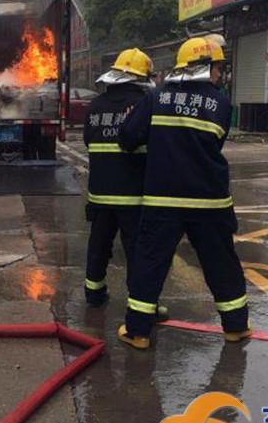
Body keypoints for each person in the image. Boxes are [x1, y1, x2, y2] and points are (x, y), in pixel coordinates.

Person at [117, 36, 251, 349]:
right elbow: (213, 143)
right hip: (210, 199)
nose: (220, 74)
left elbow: (128, 137)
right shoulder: (221, 104)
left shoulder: (156, 96)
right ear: (208, 67)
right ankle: (235, 326)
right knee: (221, 263)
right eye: (218, 68)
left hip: (163, 199)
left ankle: (137, 331)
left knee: (150, 262)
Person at [83, 48, 154, 307]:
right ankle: (139, 303)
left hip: (100, 193)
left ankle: (94, 294)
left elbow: (88, 140)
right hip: (133, 196)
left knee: (98, 247)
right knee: (137, 252)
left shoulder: (96, 105)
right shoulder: (144, 105)